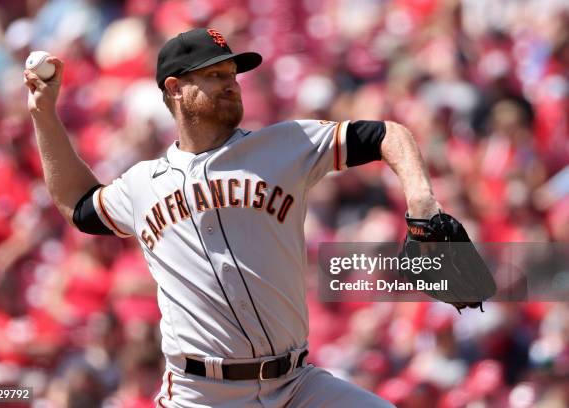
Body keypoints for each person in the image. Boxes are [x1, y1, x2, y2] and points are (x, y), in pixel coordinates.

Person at [25, 27, 440, 408]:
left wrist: (421, 201)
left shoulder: (286, 144)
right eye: (214, 75)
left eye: (232, 74)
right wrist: (44, 113)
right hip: (200, 394)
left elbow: (387, 134)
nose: (230, 84)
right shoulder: (141, 185)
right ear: (175, 89)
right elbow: (79, 205)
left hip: (296, 385)